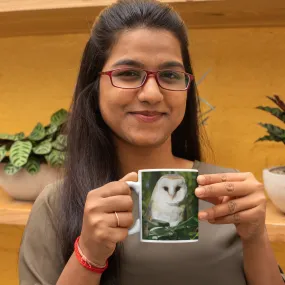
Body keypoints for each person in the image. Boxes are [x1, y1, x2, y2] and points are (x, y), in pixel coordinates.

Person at [18, 0, 284, 284]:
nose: (152, 94)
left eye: (170, 75)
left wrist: (256, 237)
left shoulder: (227, 194)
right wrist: (88, 255)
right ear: (94, 86)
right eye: (129, 74)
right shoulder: (56, 205)